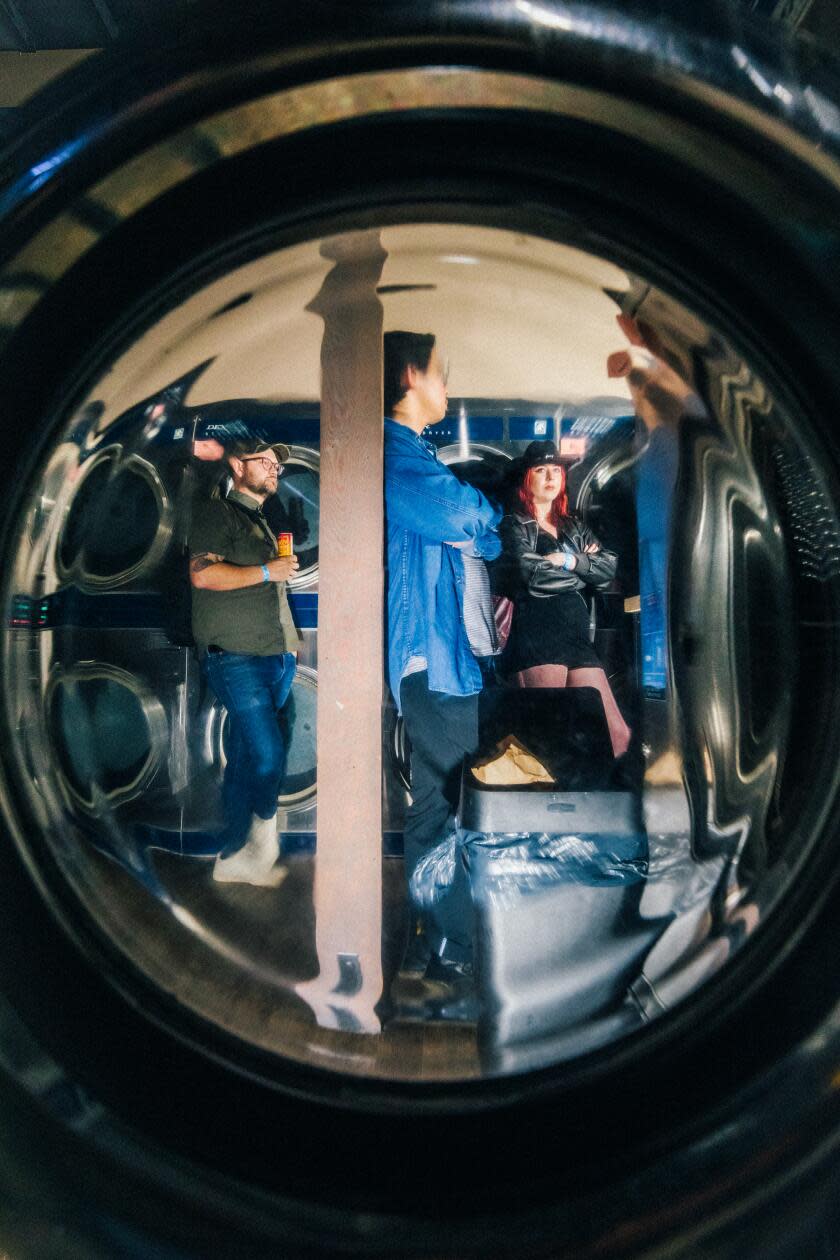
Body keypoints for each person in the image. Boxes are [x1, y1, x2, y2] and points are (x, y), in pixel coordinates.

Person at [384, 330, 501, 973]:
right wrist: (476, 516)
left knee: (448, 796)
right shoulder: (393, 451)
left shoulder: (416, 456)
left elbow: (490, 543)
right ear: (410, 375)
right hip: (431, 658)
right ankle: (450, 944)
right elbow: (465, 520)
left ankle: (443, 935)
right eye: (440, 374)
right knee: (442, 801)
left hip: (449, 656)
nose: (447, 388)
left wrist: (475, 523)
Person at [189, 438, 301, 885]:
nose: (275, 469)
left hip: (272, 657)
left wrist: (290, 646)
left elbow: (269, 593)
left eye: (278, 465)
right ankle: (262, 843)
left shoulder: (261, 522)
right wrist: (265, 571)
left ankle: (231, 856)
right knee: (268, 752)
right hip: (235, 658)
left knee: (242, 756)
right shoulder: (219, 513)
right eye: (266, 462)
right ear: (237, 465)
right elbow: (201, 573)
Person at [498, 439, 631, 758]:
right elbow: (533, 576)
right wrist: (583, 572)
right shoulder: (513, 525)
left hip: (575, 638)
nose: (549, 477)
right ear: (526, 479)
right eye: (540, 470)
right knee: (546, 740)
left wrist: (569, 561)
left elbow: (608, 568)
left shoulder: (574, 526)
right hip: (537, 636)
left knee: (618, 734)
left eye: (555, 470)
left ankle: (591, 803)